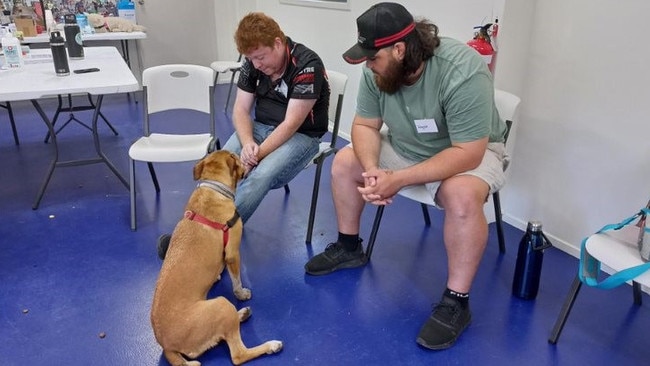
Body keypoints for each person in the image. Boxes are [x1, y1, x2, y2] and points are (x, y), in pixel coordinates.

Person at [304, 2, 508, 351]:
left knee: (460, 196)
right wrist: (372, 171)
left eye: (373, 57)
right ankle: (350, 247)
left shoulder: (462, 69)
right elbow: (366, 125)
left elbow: (468, 152)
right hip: (405, 144)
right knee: (344, 162)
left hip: (469, 150)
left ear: (399, 49)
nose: (368, 66)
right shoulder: (378, 71)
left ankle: (456, 301)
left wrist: (398, 179)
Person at [157, 12, 329, 259]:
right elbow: (240, 109)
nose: (257, 64)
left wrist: (256, 155)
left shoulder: (307, 65)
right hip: (260, 128)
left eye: (260, 57)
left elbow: (291, 124)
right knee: (220, 163)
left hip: (302, 136)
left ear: (278, 43)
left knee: (261, 175)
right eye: (252, 58)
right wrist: (248, 143)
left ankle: (212, 241)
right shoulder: (252, 63)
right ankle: (192, 231)